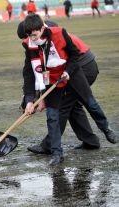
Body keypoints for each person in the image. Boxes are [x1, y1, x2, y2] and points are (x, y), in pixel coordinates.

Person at [20, 14, 117, 166]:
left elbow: (75, 54)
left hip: (73, 72)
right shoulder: (29, 45)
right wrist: (29, 101)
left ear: (42, 28)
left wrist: (68, 71)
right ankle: (57, 153)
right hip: (52, 79)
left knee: (90, 103)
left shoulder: (59, 33)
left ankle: (106, 129)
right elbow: (31, 74)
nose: (32, 39)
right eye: (29, 36)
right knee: (52, 117)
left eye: (34, 35)